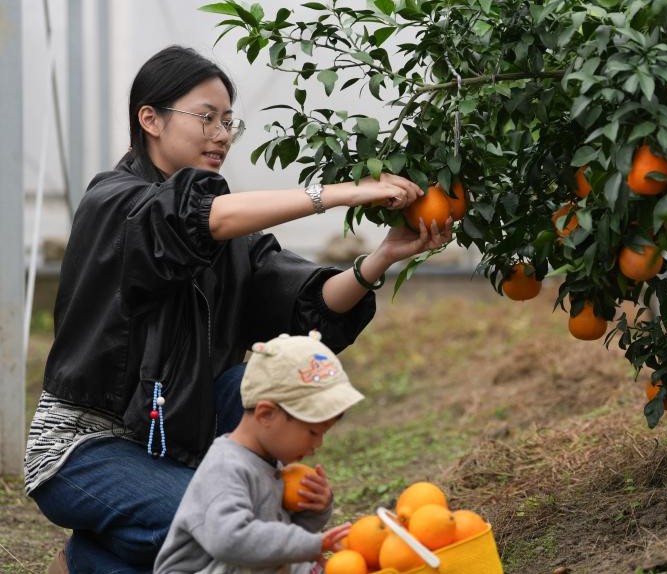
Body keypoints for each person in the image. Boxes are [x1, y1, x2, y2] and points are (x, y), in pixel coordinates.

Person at [24, 45, 451, 574]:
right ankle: (97, 553)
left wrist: (382, 256)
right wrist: (344, 193)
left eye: (228, 121)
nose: (222, 135)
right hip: (83, 450)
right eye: (206, 118)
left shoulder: (224, 235)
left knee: (250, 403)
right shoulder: (115, 204)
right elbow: (192, 219)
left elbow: (306, 304)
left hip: (171, 432)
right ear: (150, 119)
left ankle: (91, 553)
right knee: (220, 527)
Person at [154, 331, 363, 574]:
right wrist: (311, 544)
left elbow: (275, 538)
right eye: (313, 432)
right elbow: (231, 540)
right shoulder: (224, 468)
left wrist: (313, 511)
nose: (318, 445)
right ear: (266, 414)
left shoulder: (270, 463)